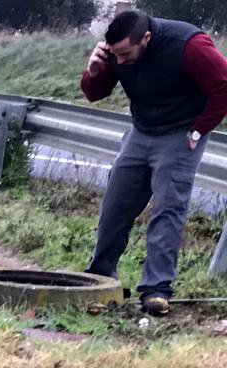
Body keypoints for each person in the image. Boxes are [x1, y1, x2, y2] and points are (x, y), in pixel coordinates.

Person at [81, 9, 227, 314]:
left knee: (167, 209)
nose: (119, 61)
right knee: (115, 204)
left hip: (180, 134)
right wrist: (94, 71)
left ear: (145, 39)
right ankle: (100, 276)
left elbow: (223, 87)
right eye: (114, 54)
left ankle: (157, 291)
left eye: (125, 54)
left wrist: (199, 130)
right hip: (141, 129)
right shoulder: (116, 52)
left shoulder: (190, 45)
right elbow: (95, 94)